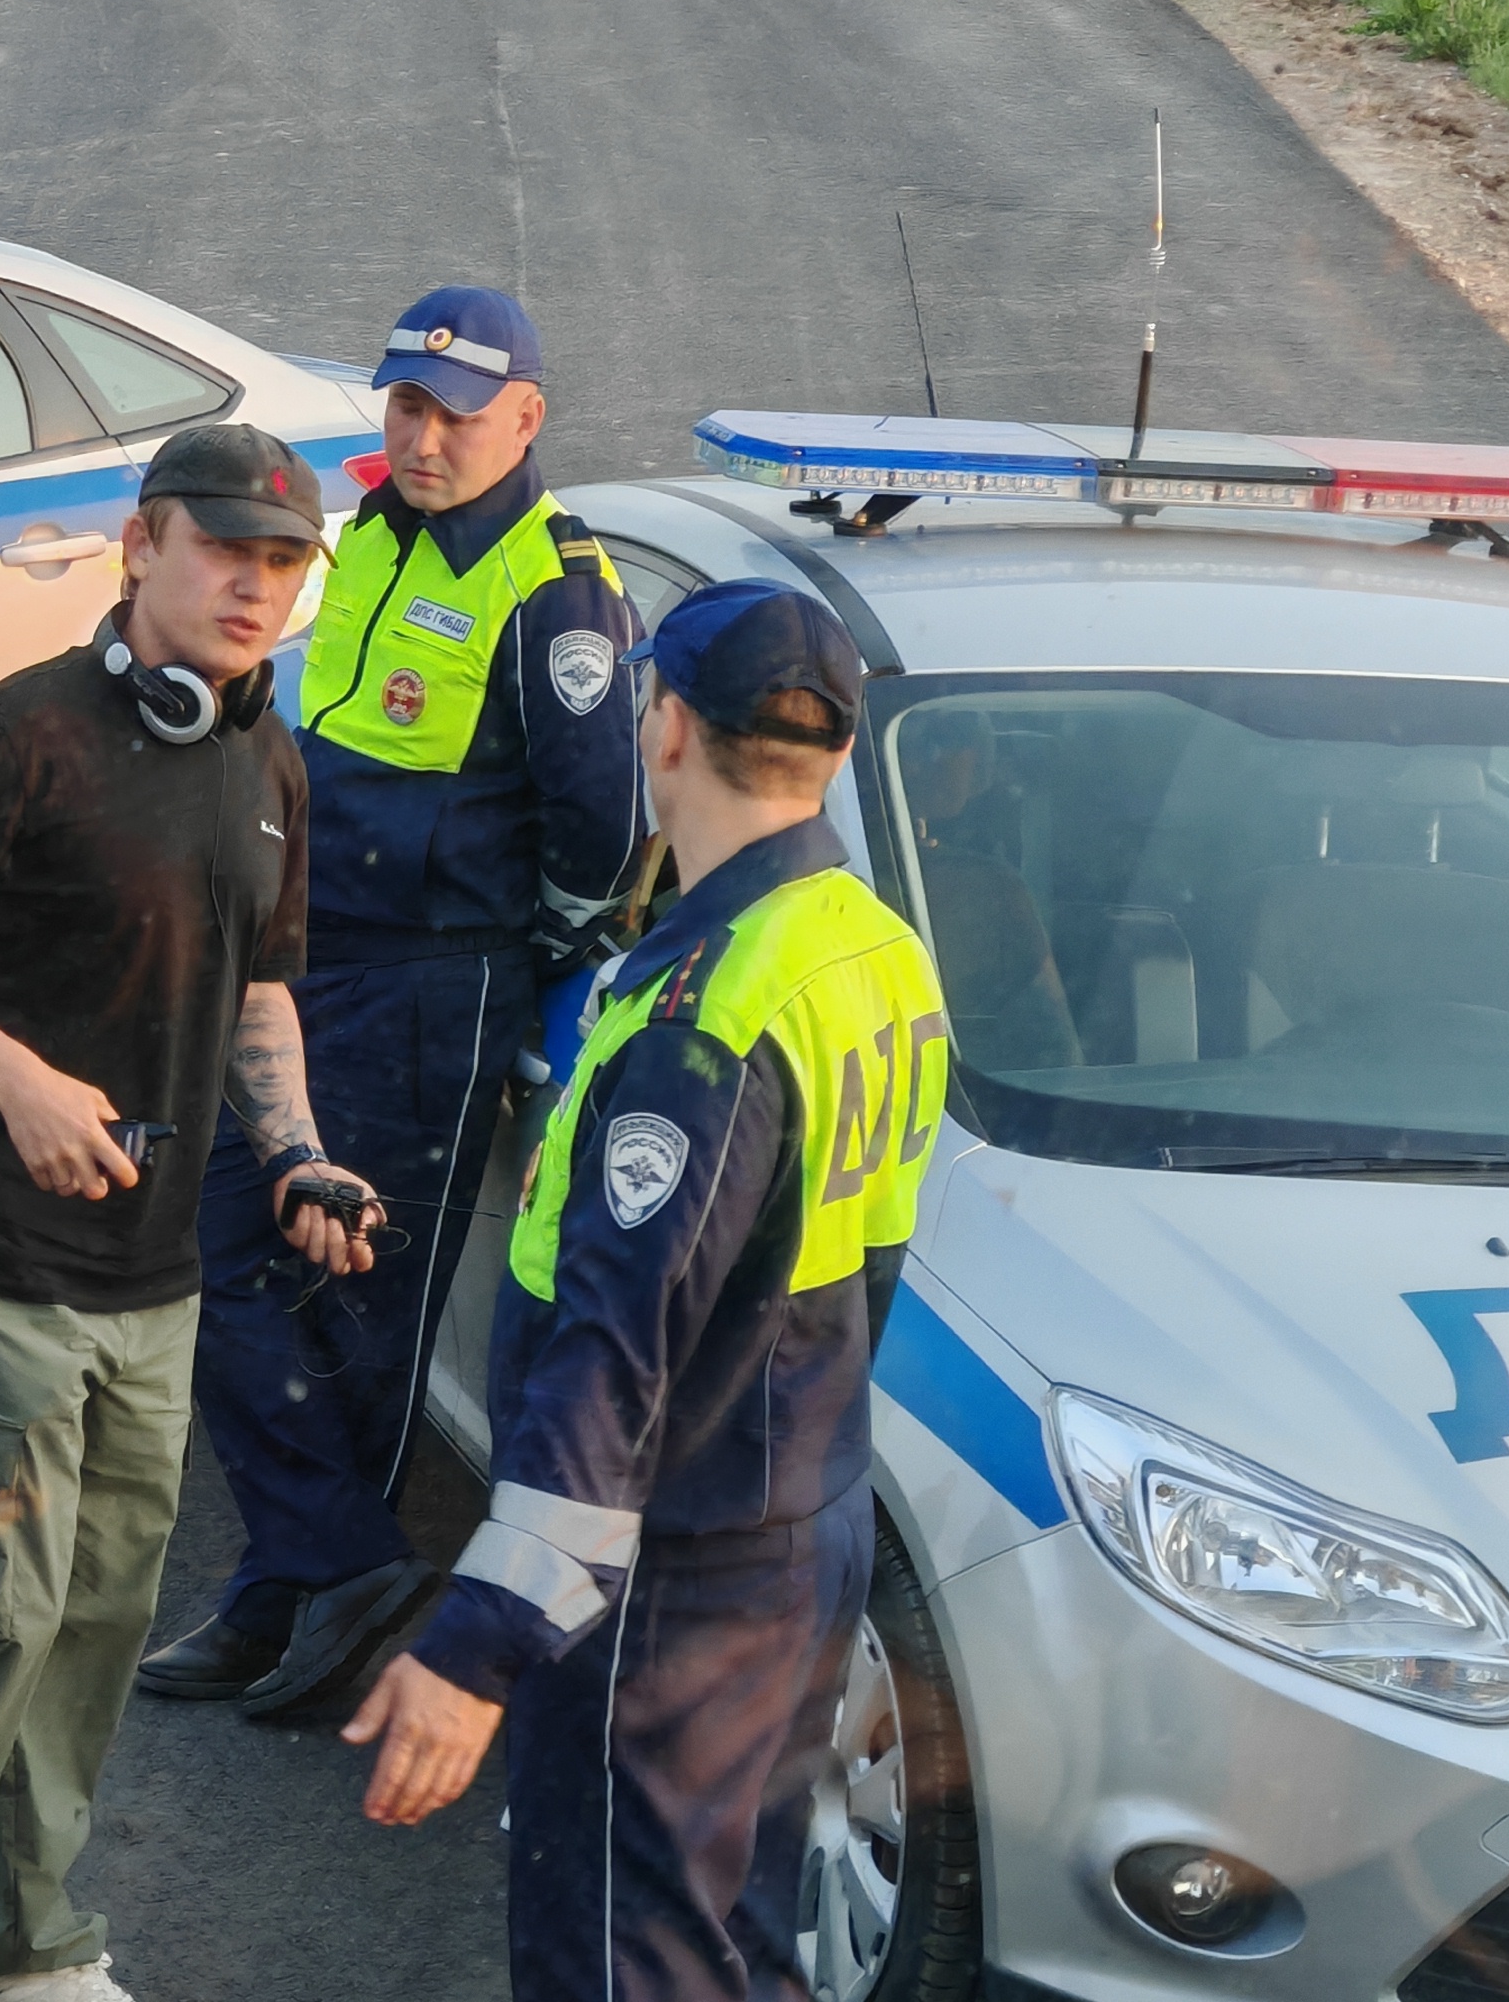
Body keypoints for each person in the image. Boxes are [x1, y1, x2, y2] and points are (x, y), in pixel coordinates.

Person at [0, 425, 384, 2002]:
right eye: (225, 549)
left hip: (152, 1278)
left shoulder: (266, 761)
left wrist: (298, 1156)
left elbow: (259, 987)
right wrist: (16, 1079)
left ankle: (20, 1950)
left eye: (283, 561)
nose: (255, 584)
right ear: (144, 542)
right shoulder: (17, 732)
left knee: (93, 1622)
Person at [340, 582, 949, 2002]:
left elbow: (615, 1364)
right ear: (836, 753)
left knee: (621, 1956)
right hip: (801, 1525)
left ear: (665, 728)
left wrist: (479, 1641)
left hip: (672, 1576)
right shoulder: (869, 947)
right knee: (739, 1934)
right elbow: (862, 1267)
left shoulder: (705, 1018)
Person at [137, 284, 642, 1724]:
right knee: (214, 1242)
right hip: (312, 951)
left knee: (350, 1292)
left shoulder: (556, 587)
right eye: (408, 406)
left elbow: (602, 829)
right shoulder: (372, 532)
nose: (424, 439)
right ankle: (328, 1570)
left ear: (525, 420)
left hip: (433, 980)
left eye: (456, 417)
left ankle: (303, 1591)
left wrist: (515, 957)